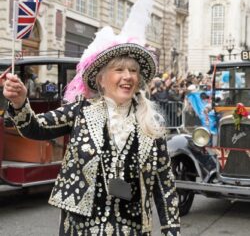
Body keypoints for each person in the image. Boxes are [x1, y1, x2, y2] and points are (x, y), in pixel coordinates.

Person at [2, 43, 180, 235]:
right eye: (119, 69)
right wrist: (20, 103)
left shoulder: (151, 125)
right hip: (81, 229)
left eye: (133, 70)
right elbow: (35, 128)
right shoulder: (80, 111)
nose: (128, 76)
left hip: (132, 229)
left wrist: (171, 230)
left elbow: (165, 185)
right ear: (101, 79)